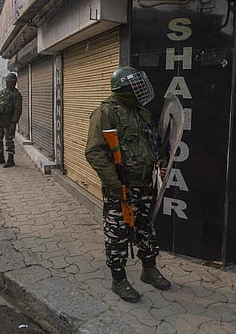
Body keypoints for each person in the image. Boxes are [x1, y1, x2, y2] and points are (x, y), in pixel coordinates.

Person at [85, 66, 171, 302]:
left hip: (146, 184)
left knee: (146, 227)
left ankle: (149, 269)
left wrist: (160, 161)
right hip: (121, 187)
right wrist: (114, 184)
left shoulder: (142, 113)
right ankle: (119, 279)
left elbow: (154, 142)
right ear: (124, 89)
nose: (141, 90)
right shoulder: (105, 112)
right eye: (136, 86)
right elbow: (94, 152)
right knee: (118, 234)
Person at [0, 72, 22, 168]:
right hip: (0, 121)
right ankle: (0, 157)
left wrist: (14, 123)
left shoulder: (16, 95)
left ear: (14, 82)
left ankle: (10, 160)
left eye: (9, 82)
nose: (8, 83)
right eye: (7, 82)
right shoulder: (3, 92)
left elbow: (18, 110)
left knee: (9, 141)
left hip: (9, 122)